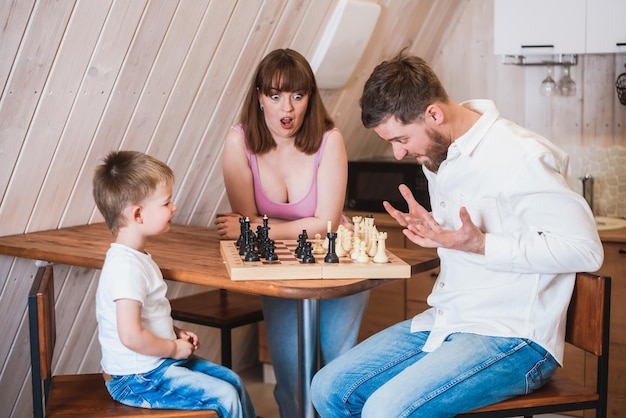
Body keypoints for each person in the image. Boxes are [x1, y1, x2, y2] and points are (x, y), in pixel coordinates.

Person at [310, 52, 604, 417]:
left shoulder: (522, 156)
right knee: (328, 388)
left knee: (385, 411)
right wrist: (439, 230)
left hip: (512, 337)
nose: (398, 153)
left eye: (401, 139)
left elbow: (585, 250)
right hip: (449, 320)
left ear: (434, 114)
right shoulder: (442, 154)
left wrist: (481, 244)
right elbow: (481, 224)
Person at [214, 48, 369, 418]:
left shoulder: (330, 140)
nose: (288, 109)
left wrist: (258, 227)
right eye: (276, 95)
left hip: (337, 263)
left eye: (298, 96)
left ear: (310, 98)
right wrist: (261, 228)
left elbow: (326, 223)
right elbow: (248, 232)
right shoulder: (239, 142)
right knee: (292, 379)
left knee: (338, 371)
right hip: (279, 266)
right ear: (259, 98)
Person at [93, 150, 256, 417]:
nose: (174, 207)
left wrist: (174, 332)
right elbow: (131, 336)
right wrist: (172, 348)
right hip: (136, 379)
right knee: (225, 397)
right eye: (166, 203)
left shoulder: (136, 257)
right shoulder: (125, 268)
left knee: (233, 382)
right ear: (138, 215)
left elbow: (147, 317)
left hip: (154, 365)